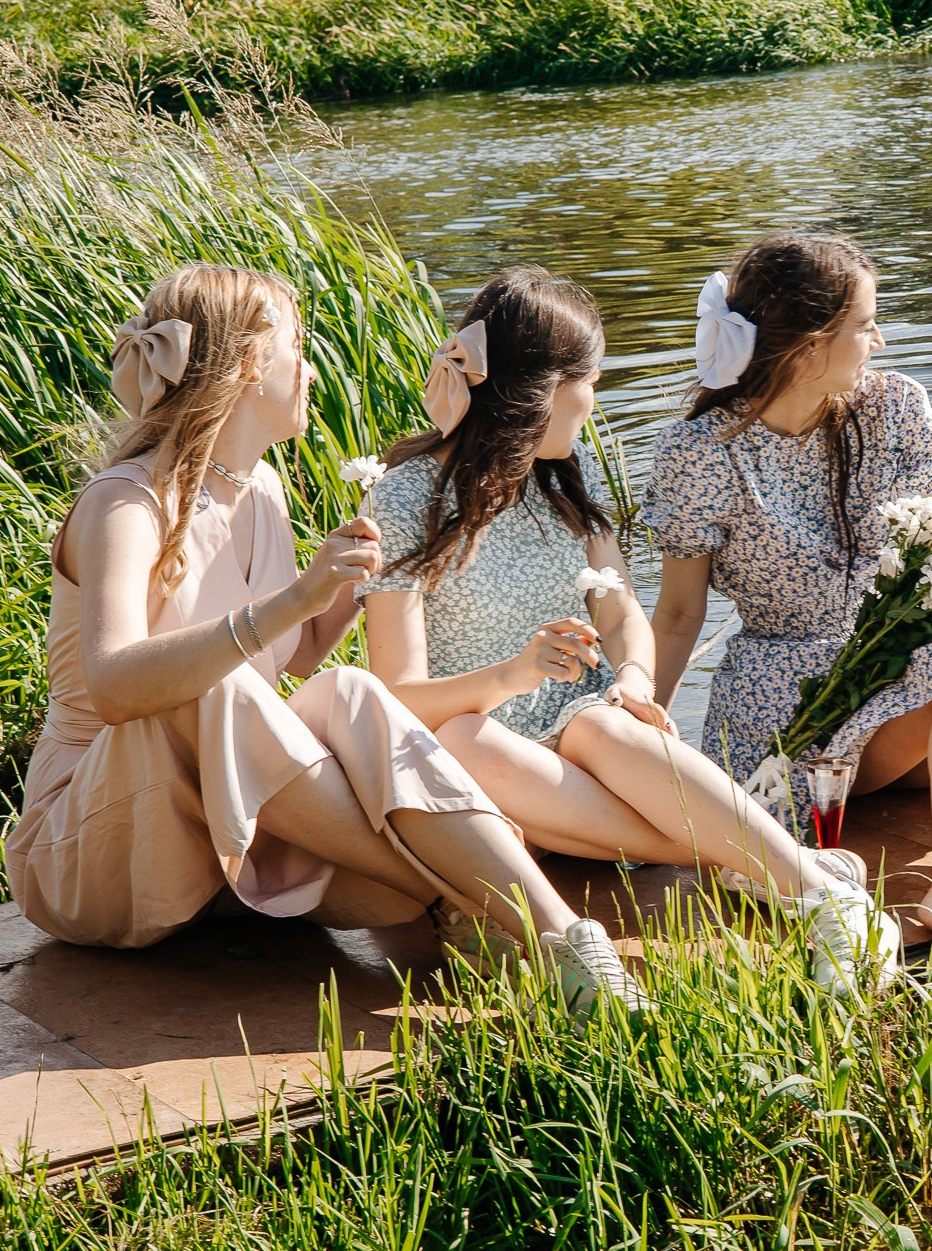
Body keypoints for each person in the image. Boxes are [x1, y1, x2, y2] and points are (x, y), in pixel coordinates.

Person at [5, 262, 642, 1016]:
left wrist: (354, 573)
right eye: (299, 349)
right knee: (218, 685)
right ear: (250, 365)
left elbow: (297, 655)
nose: (310, 371)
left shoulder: (261, 490)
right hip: (94, 849)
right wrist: (296, 598)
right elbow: (114, 685)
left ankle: (565, 942)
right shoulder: (126, 503)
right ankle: (484, 904)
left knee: (349, 689)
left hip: (222, 839)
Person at [357, 265, 900, 997]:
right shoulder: (405, 501)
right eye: (591, 381)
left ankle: (823, 896)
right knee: (464, 738)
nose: (594, 400)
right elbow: (396, 696)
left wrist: (636, 681)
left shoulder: (564, 482)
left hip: (582, 742)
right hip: (476, 754)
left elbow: (620, 616)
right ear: (546, 390)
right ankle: (769, 861)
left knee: (601, 722)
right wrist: (510, 676)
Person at [644, 233, 932, 972]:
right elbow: (677, 615)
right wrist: (647, 741)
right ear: (809, 343)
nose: (880, 339)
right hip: (789, 707)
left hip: (902, 688)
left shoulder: (891, 406)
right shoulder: (698, 452)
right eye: (865, 324)